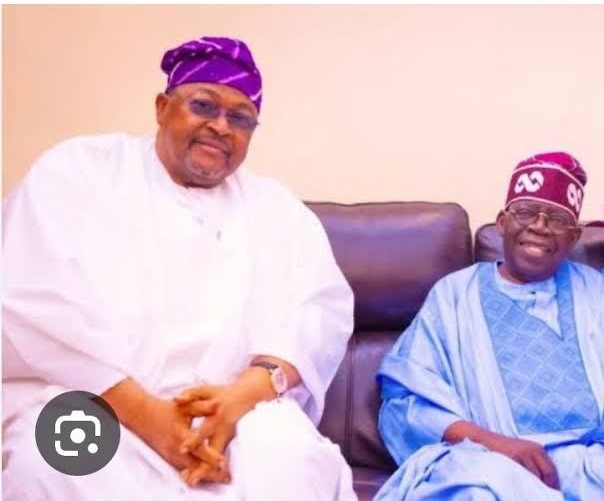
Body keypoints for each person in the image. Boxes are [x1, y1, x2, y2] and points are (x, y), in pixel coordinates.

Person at [2, 36, 356, 501]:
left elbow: (317, 314)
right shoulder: (80, 171)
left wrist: (240, 397)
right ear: (162, 107)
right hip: (103, 402)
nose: (220, 127)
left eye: (240, 118)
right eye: (203, 106)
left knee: (294, 458)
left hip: (235, 417)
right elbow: (31, 303)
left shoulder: (278, 208)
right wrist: (149, 417)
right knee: (52, 458)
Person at [375, 152, 604, 500]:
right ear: (502, 222)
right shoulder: (454, 296)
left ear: (573, 237)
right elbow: (406, 401)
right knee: (473, 486)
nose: (540, 226)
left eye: (557, 220)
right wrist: (498, 445)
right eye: (525, 212)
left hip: (590, 465)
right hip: (489, 461)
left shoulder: (595, 291)